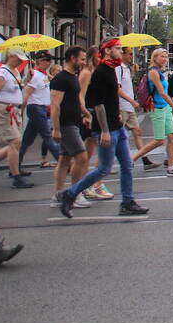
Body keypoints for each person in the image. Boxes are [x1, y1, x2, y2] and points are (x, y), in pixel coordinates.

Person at [57, 39, 149, 217]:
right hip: (107, 129)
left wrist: (117, 114)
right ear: (107, 51)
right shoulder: (100, 72)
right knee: (104, 168)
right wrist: (104, 130)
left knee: (127, 164)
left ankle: (127, 202)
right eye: (117, 48)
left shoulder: (110, 70)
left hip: (117, 126)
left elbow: (110, 98)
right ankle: (69, 194)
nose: (120, 51)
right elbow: (98, 104)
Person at [131, 49, 173, 176]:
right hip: (157, 108)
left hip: (165, 108)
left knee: (171, 137)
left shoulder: (161, 73)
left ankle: (171, 167)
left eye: (166, 57)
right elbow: (162, 93)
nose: (165, 59)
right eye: (162, 56)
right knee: (159, 140)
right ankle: (131, 159)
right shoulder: (153, 73)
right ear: (155, 57)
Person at [49, 47, 91, 209]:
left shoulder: (72, 77)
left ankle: (58, 195)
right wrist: (56, 128)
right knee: (81, 157)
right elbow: (55, 105)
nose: (83, 62)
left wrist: (86, 114)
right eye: (81, 59)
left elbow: (75, 100)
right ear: (73, 58)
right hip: (66, 125)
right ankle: (74, 194)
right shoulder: (61, 79)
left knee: (64, 160)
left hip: (73, 122)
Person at [0, 47, 33, 188]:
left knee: (15, 143)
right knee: (15, 141)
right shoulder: (1, 73)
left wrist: (27, 79)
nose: (20, 62)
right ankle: (16, 177)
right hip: (3, 110)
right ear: (11, 56)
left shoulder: (15, 72)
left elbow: (17, 88)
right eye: (18, 59)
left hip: (13, 110)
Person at [18, 52, 61, 169]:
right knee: (48, 137)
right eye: (46, 60)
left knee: (27, 140)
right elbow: (26, 94)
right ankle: (65, 165)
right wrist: (20, 112)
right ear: (40, 61)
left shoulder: (42, 75)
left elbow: (52, 81)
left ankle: (15, 167)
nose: (49, 63)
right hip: (36, 108)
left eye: (50, 60)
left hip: (41, 109)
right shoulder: (36, 75)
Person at [114, 49, 155, 170]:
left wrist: (133, 73)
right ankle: (104, 162)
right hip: (122, 106)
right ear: (122, 54)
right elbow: (117, 88)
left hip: (129, 107)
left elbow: (126, 85)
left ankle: (145, 160)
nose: (132, 56)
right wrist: (131, 101)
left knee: (137, 131)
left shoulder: (126, 68)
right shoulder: (118, 68)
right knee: (116, 136)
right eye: (130, 54)